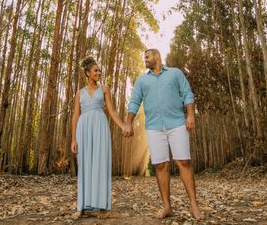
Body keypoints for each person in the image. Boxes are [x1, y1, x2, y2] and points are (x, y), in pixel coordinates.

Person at [123, 49, 204, 220]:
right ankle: (167, 207)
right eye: (143, 57)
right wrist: (128, 122)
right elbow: (134, 101)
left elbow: (187, 93)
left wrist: (190, 115)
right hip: (154, 127)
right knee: (160, 165)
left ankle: (194, 206)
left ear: (157, 56)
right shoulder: (142, 80)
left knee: (184, 161)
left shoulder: (175, 73)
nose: (145, 59)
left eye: (147, 56)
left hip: (177, 124)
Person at [71, 56, 125, 218]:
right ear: (88, 73)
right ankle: (82, 206)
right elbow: (75, 115)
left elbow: (112, 111)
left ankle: (102, 206)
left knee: (101, 164)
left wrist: (122, 126)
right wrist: (73, 139)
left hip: (101, 126)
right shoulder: (79, 93)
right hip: (83, 128)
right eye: (96, 70)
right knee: (85, 164)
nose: (99, 72)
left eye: (99, 70)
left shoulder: (105, 89)